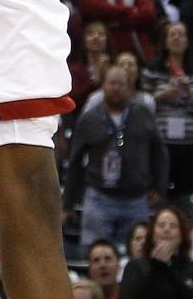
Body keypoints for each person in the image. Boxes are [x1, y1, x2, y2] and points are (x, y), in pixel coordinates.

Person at [64, 65, 168, 251]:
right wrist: (68, 203)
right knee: (95, 251)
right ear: (103, 86)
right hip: (99, 198)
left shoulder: (143, 114)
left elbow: (159, 152)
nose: (117, 88)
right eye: (112, 83)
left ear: (130, 87)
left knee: (137, 253)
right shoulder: (89, 118)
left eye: (121, 84)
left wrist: (159, 187)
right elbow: (75, 162)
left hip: (136, 198)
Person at [140, 22, 193, 199]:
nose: (177, 38)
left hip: (189, 143)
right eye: (172, 35)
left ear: (187, 42)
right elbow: (142, 106)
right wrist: (162, 96)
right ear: (165, 41)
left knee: (185, 193)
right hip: (160, 142)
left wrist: (189, 92)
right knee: (158, 191)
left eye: (181, 35)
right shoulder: (152, 69)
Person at [120, 206, 193, 299]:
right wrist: (158, 267)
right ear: (152, 233)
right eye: (161, 225)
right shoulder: (136, 266)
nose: (167, 229)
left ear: (182, 234)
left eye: (173, 226)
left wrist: (167, 271)